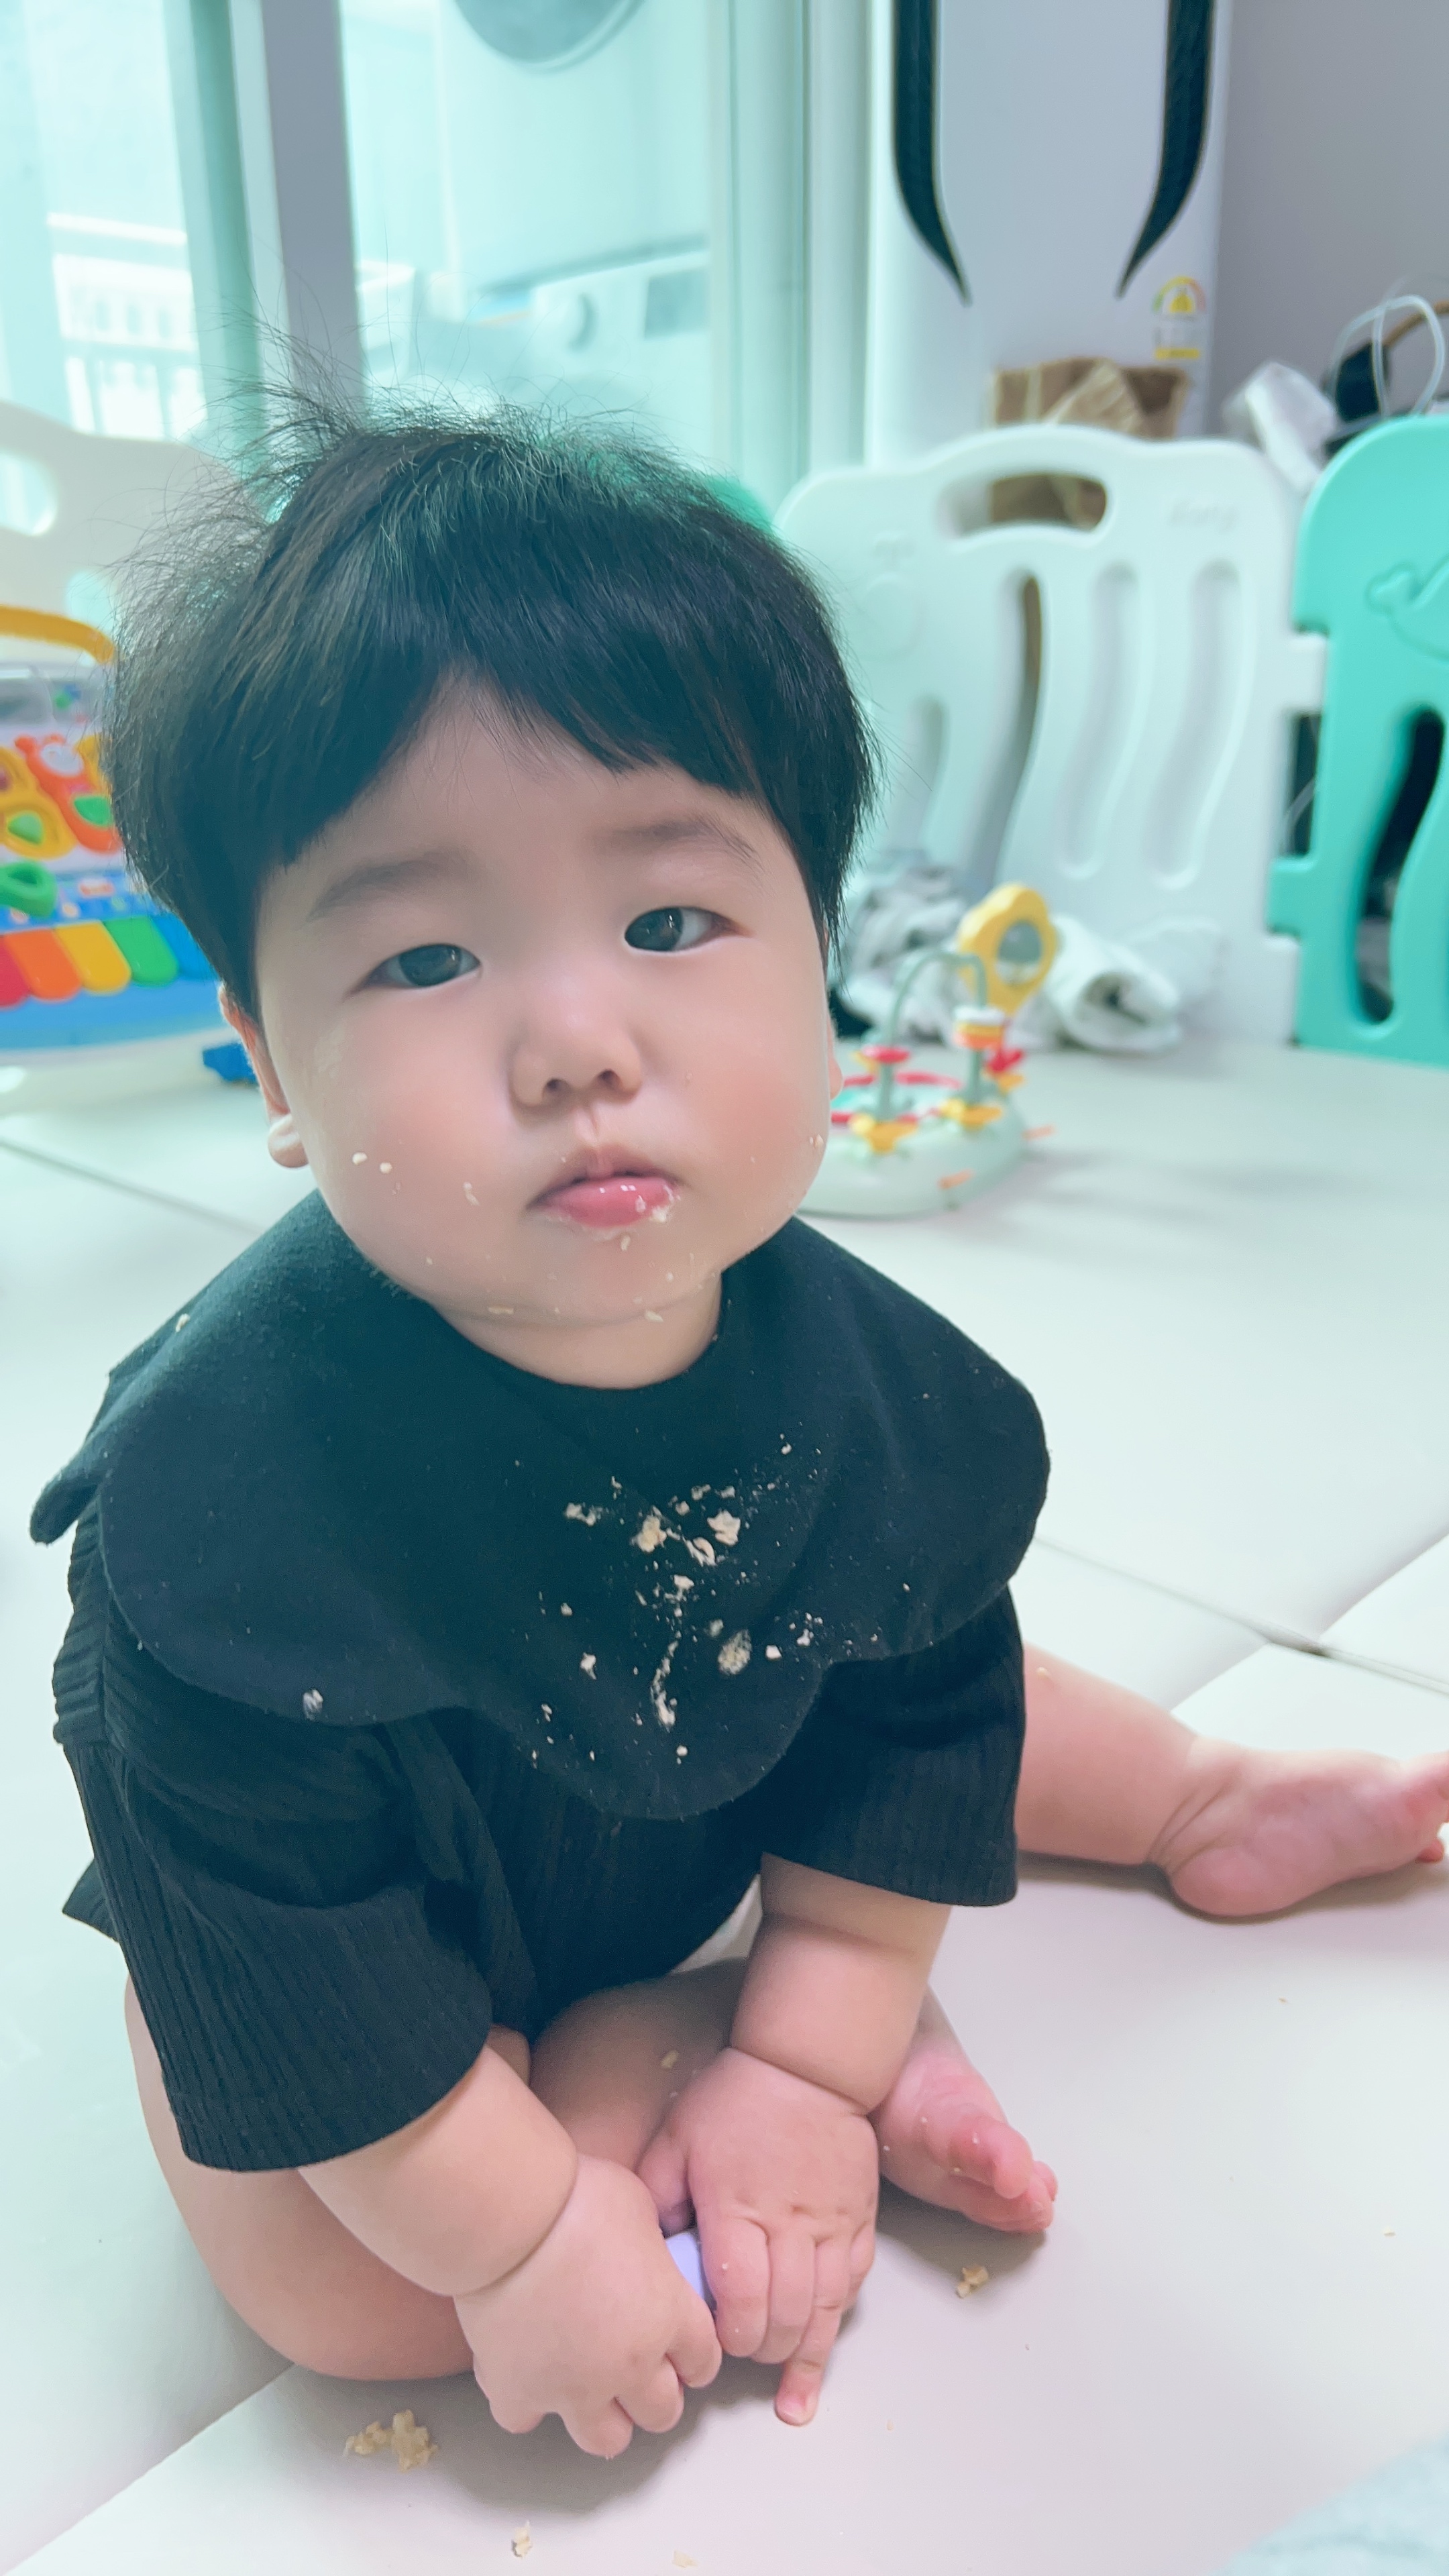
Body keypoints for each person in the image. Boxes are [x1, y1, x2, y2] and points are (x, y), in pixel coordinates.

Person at [33, 406, 1449, 2461]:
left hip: (684, 1757)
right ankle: (671, 2037)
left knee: (929, 1659)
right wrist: (526, 2237)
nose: (579, 1042)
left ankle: (1188, 1799)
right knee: (341, 2299)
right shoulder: (222, 1534)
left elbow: (918, 1705)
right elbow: (289, 1953)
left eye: (672, 924)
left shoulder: (874, 1398)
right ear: (265, 1057)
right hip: (379, 1918)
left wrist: (810, 2058)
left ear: (820, 954)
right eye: (425, 957)